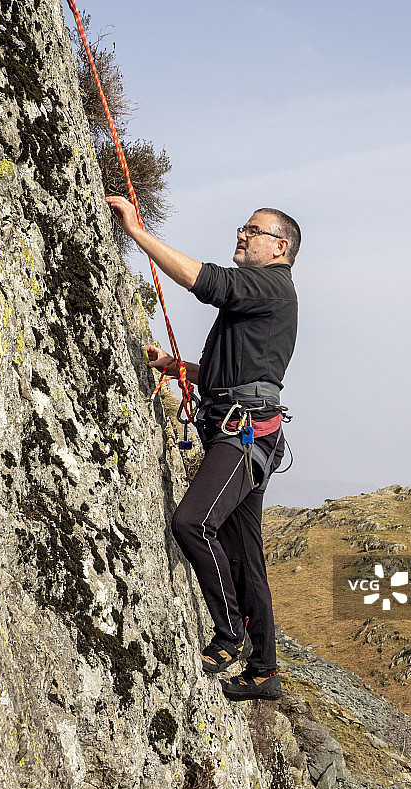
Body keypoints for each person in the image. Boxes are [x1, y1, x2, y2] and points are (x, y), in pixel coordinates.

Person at [105, 196, 300, 701]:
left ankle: (230, 633)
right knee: (243, 557)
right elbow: (238, 372)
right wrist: (180, 368)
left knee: (192, 523)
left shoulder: (271, 287)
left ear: (279, 247)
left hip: (243, 435)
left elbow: (206, 282)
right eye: (243, 227)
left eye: (252, 231)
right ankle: (264, 670)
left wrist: (137, 233)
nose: (242, 234)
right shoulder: (266, 299)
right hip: (248, 429)